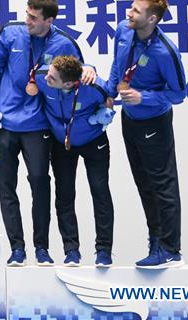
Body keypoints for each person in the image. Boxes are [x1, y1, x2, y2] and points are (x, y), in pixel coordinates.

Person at [0, 0, 93, 266]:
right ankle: (17, 248)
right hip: (3, 123)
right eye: (26, 13)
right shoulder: (10, 34)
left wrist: (91, 71)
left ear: (49, 20)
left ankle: (42, 248)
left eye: (33, 17)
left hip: (37, 125)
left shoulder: (64, 43)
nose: (27, 20)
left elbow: (79, 74)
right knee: (6, 186)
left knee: (40, 184)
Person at [107, 0, 186, 269]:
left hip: (155, 122)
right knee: (144, 184)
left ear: (152, 19)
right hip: (129, 119)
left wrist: (145, 98)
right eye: (130, 7)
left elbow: (179, 93)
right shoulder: (123, 31)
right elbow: (118, 67)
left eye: (136, 11)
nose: (129, 13)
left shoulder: (164, 51)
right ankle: (156, 241)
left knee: (163, 185)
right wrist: (109, 93)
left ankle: (170, 249)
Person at [37, 55, 115, 267]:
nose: (47, 79)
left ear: (70, 83)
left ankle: (104, 251)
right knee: (64, 195)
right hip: (63, 144)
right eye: (48, 74)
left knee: (100, 191)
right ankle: (71, 251)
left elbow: (109, 100)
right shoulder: (42, 75)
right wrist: (87, 64)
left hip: (94, 141)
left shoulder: (94, 87)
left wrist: (106, 112)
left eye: (53, 78)